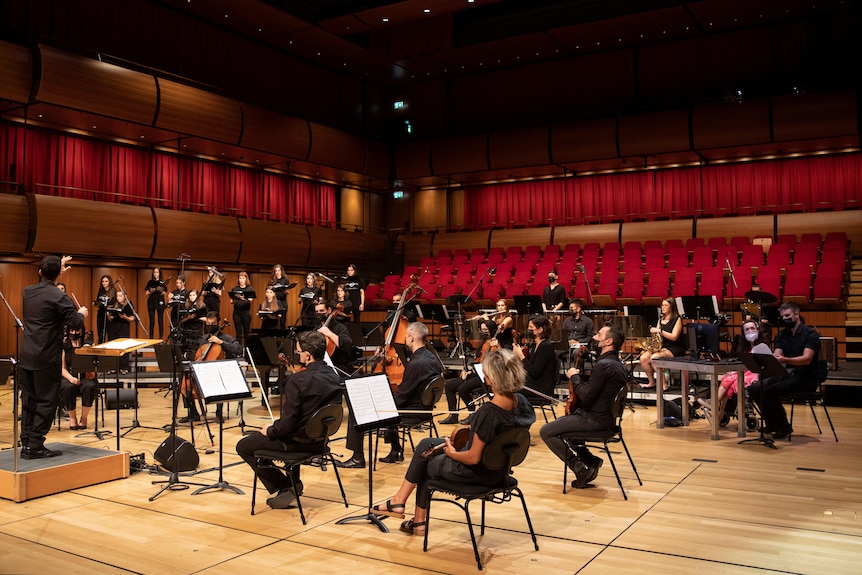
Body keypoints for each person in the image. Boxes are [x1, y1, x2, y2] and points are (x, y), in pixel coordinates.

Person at [369, 348, 528, 536]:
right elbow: (499, 433)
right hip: (500, 469)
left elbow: (472, 458)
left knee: (425, 461)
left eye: (485, 373)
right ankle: (404, 506)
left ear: (492, 377)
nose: (483, 376)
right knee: (426, 444)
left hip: (478, 474)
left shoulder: (489, 412)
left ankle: (409, 513)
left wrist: (452, 452)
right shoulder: (521, 403)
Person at [235, 330, 343, 509]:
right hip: (320, 441)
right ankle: (290, 484)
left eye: (299, 352)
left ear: (308, 356)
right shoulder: (334, 376)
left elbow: (287, 425)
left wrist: (270, 430)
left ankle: (286, 486)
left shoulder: (298, 380)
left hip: (297, 443)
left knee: (244, 446)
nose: (297, 355)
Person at [337, 322, 440, 469]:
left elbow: (402, 398)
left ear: (410, 338)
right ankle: (396, 450)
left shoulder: (416, 363)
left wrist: (380, 400)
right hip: (424, 408)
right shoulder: (430, 356)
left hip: (412, 412)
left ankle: (357, 457)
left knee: (357, 412)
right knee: (388, 398)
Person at [539, 325, 627, 488]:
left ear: (609, 341)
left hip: (595, 419)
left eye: (599, 335)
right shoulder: (618, 364)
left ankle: (579, 467)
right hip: (606, 419)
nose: (594, 337)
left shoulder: (604, 365)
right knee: (567, 429)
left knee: (546, 431)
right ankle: (590, 460)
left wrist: (575, 377)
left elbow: (586, 395)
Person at [20, 255, 88, 459]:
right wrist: (82, 313)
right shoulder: (59, 297)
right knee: (47, 401)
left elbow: (46, 289)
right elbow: (75, 323)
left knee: (29, 400)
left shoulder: (27, 292)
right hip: (46, 356)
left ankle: (27, 442)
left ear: (40, 272)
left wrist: (56, 270)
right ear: (58, 273)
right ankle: (36, 444)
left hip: (26, 354)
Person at [748, 302, 820, 439]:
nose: (785, 319)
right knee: (755, 388)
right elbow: (777, 354)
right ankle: (772, 423)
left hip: (806, 377)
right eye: (782, 316)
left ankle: (784, 427)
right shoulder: (782, 335)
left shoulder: (811, 335)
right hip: (788, 375)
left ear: (797, 314)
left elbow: (807, 359)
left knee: (769, 391)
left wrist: (784, 359)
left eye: (787, 315)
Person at [180, 311, 244, 423]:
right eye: (208, 324)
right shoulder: (204, 339)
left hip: (221, 372)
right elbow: (199, 354)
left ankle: (218, 413)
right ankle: (193, 413)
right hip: (204, 371)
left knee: (218, 380)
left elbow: (238, 349)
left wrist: (221, 342)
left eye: (213, 323)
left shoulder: (226, 338)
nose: (210, 326)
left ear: (219, 323)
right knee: (185, 381)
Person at [698, 320, 766, 423]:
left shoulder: (762, 346)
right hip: (745, 371)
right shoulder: (744, 346)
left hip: (756, 374)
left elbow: (759, 365)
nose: (750, 331)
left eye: (752, 328)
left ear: (757, 330)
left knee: (732, 378)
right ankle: (718, 415)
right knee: (728, 377)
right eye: (747, 329)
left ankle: (714, 403)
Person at [638, 297, 685, 390]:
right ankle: (651, 382)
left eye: (666, 305)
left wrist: (659, 331)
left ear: (671, 307)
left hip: (674, 348)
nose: (663, 307)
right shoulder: (660, 319)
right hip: (662, 347)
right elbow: (657, 336)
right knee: (643, 358)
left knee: (655, 358)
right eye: (662, 305)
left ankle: (663, 385)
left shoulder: (677, 319)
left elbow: (674, 336)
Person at [60, 326, 97, 430]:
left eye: (77, 330)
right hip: (69, 376)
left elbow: (94, 366)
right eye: (71, 330)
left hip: (85, 376)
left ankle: (84, 418)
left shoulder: (88, 344)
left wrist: (89, 352)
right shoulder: (64, 345)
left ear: (82, 331)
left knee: (90, 386)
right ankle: (72, 417)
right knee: (67, 387)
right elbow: (62, 368)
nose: (74, 332)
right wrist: (71, 378)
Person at [513, 314, 558, 403]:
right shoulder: (535, 346)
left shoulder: (545, 346)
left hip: (541, 388)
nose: (528, 329)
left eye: (531, 327)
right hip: (534, 383)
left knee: (509, 389)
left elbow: (535, 372)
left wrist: (521, 356)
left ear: (540, 330)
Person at [315, 299, 354, 375]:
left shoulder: (340, 327)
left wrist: (329, 333)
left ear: (329, 310)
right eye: (317, 312)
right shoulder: (317, 329)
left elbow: (347, 345)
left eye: (321, 311)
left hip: (338, 366)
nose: (319, 313)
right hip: (321, 367)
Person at [561, 298, 595, 372]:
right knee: (555, 351)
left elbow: (590, 336)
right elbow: (563, 334)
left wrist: (578, 342)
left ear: (578, 309)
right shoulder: (567, 321)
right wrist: (568, 341)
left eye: (571, 308)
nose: (570, 309)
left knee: (577, 352)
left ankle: (578, 374)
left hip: (582, 346)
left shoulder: (588, 321)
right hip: (568, 345)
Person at [107, 289, 135, 373]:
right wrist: (109, 315)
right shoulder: (115, 305)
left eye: (120, 296)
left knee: (123, 347)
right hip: (113, 327)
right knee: (113, 347)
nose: (118, 298)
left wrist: (125, 317)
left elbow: (132, 318)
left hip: (123, 327)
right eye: (117, 296)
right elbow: (111, 317)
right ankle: (113, 367)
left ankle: (124, 367)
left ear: (124, 296)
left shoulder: (128, 305)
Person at [229, 271, 256, 346]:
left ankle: (247, 350)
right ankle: (239, 350)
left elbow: (250, 301)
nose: (241, 280)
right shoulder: (234, 289)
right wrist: (235, 299)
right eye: (240, 278)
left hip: (246, 312)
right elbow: (231, 301)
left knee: (246, 333)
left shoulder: (250, 289)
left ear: (246, 279)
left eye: (243, 278)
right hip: (236, 312)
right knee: (238, 333)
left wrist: (242, 298)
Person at [144, 266, 167, 339]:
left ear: (160, 273)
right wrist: (153, 290)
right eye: (154, 272)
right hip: (151, 301)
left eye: (157, 272)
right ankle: (151, 338)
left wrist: (161, 291)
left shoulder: (162, 282)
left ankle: (161, 339)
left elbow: (165, 293)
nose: (156, 274)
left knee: (160, 320)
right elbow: (146, 294)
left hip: (160, 300)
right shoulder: (150, 282)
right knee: (152, 321)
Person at [93, 274, 116, 343]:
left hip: (109, 314)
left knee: (110, 334)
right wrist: (96, 303)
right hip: (101, 313)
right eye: (103, 281)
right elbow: (98, 301)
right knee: (101, 334)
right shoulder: (101, 291)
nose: (104, 283)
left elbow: (114, 304)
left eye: (106, 281)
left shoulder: (113, 291)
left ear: (109, 282)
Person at [270, 264, 292, 329]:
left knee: (282, 321)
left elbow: (287, 291)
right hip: (274, 302)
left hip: (283, 302)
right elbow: (268, 289)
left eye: (278, 270)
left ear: (281, 271)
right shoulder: (272, 280)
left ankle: (283, 337)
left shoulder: (285, 280)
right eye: (276, 271)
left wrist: (286, 292)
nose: (277, 272)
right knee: (274, 321)